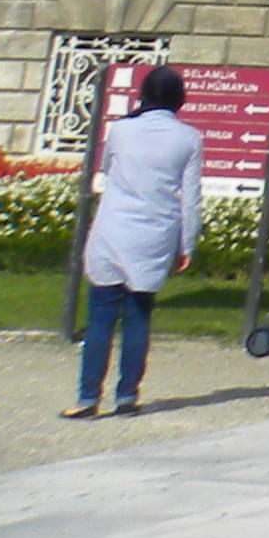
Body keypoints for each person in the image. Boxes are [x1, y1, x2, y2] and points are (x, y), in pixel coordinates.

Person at [66, 64, 202, 421]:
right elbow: (190, 198)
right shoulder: (189, 138)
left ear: (143, 94)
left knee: (100, 318)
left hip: (112, 229)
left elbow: (108, 169)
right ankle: (127, 396)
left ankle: (86, 398)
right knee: (138, 316)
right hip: (155, 233)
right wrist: (187, 245)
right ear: (178, 99)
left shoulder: (121, 130)